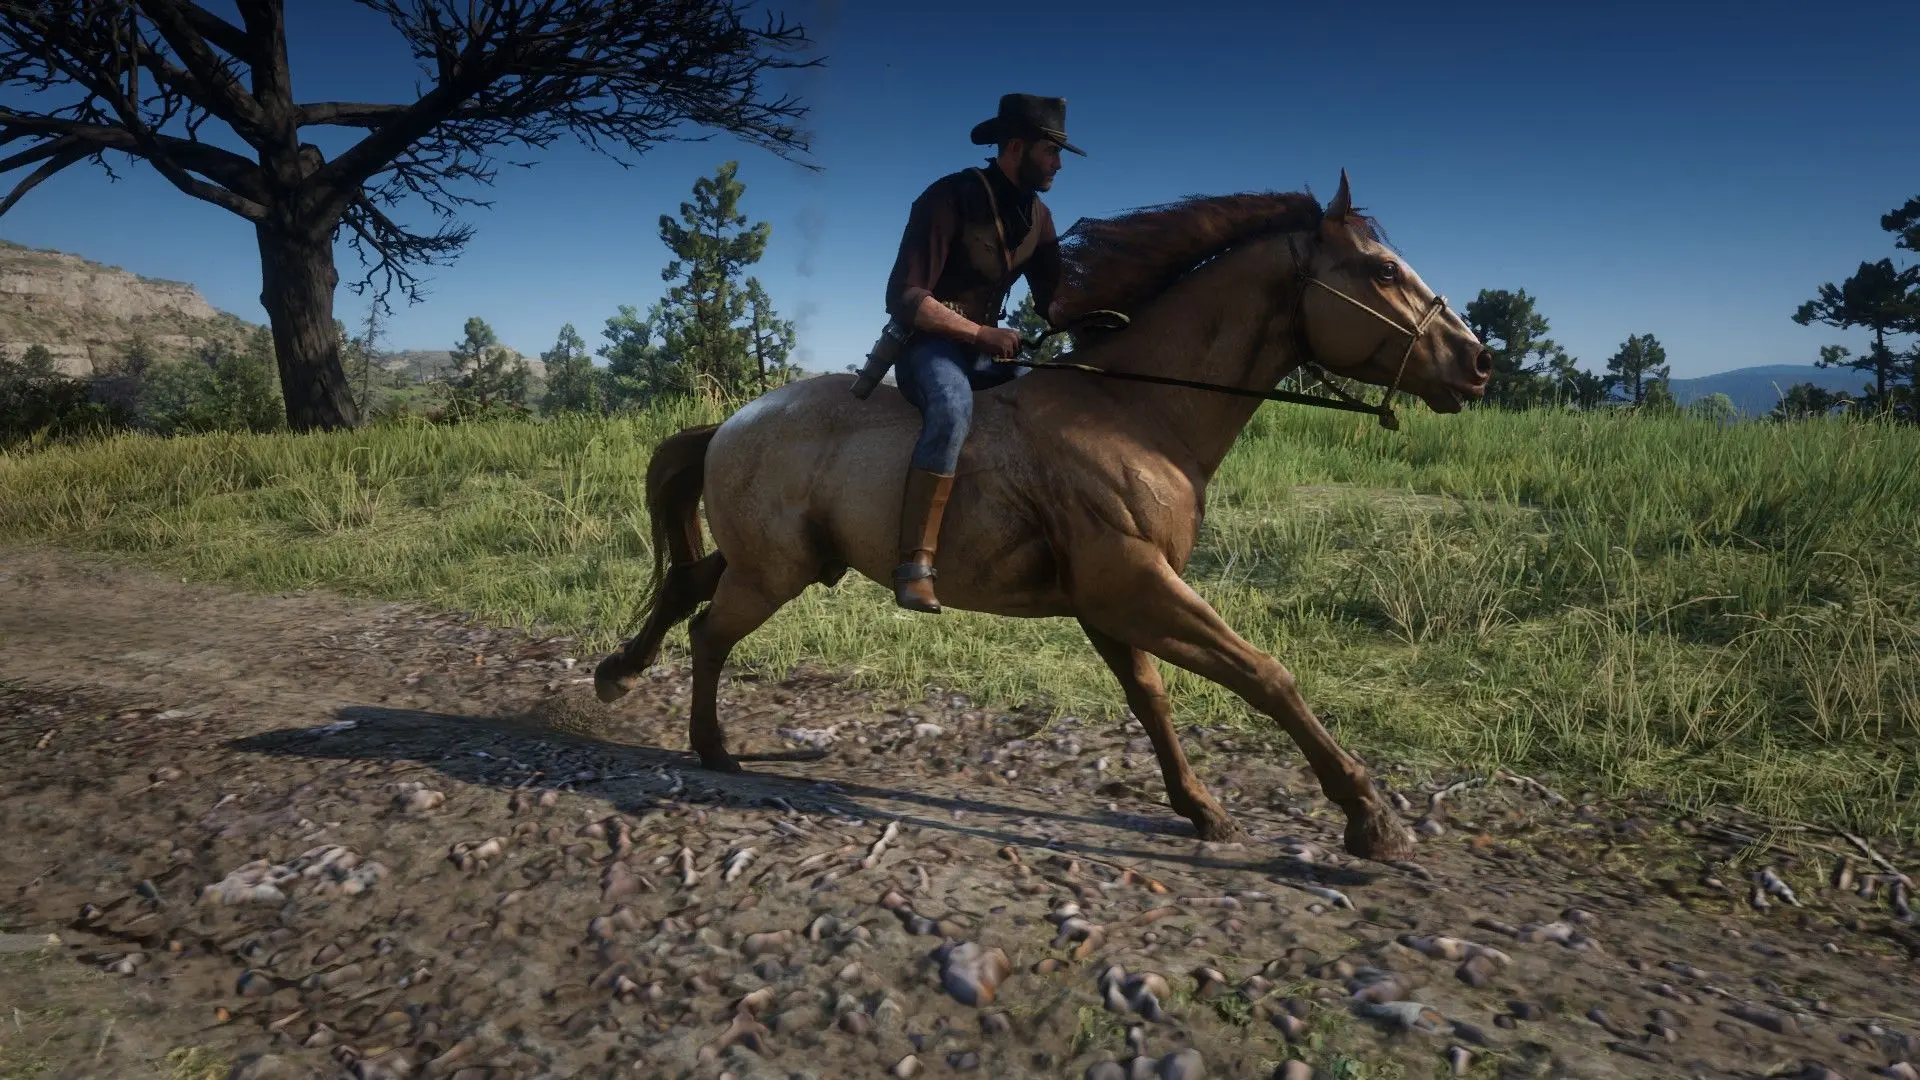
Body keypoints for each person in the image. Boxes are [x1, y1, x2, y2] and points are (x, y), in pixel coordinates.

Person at [872, 93, 1083, 614]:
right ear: (1015, 146)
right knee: (951, 406)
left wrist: (1102, 305)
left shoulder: (1040, 217)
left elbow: (1054, 301)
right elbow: (904, 297)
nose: (1058, 163)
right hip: (929, 348)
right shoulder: (949, 197)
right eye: (1050, 152)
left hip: (988, 353)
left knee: (1055, 402)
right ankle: (914, 565)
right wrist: (979, 333)